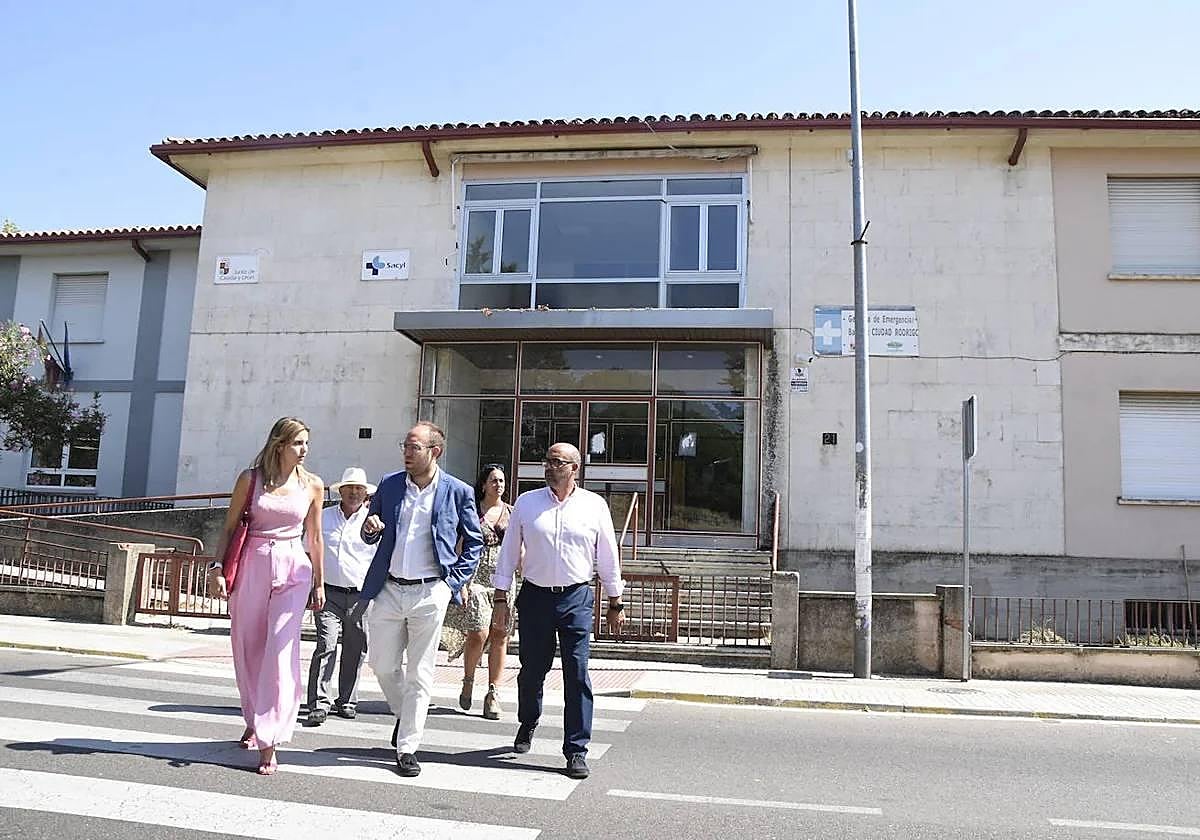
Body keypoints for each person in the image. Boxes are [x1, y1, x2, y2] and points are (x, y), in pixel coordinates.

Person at [349, 421, 483, 778]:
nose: (407, 453)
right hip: (389, 588)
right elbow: (369, 534)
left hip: (430, 591)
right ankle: (405, 715)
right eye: (405, 446)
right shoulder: (391, 485)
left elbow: (474, 543)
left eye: (415, 447)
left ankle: (408, 747)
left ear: (434, 451)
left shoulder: (458, 491)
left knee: (421, 673)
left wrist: (451, 583)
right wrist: (369, 529)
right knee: (381, 664)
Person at [491, 442, 625, 780]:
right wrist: (501, 599)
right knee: (532, 670)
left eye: (557, 462)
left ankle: (576, 749)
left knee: (577, 673)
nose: (549, 467)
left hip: (576, 598)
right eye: (546, 462)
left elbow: (607, 555)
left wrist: (615, 601)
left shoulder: (594, 506)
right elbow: (508, 552)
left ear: (575, 468)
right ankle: (529, 720)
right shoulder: (527, 503)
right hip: (535, 596)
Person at [206, 416, 325, 776]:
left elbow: (315, 537)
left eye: (306, 443)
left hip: (294, 567)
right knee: (248, 644)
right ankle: (254, 715)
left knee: (280, 650)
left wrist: (319, 582)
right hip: (253, 563)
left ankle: (270, 738)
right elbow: (229, 527)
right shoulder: (251, 479)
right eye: (298, 443)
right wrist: (217, 569)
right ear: (279, 444)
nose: (304, 450)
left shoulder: (314, 485)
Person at [441, 464, 517, 720]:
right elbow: (460, 545)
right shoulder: (472, 511)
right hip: (475, 578)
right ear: (483, 484)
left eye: (502, 480)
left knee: (500, 634)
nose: (499, 485)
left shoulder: (512, 513)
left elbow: (521, 546)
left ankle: (493, 693)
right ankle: (469, 678)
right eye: (494, 480)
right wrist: (460, 581)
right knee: (478, 631)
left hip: (503, 579)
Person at [305, 466, 376, 726]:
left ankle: (346, 700)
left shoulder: (372, 522)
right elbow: (308, 550)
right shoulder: (323, 517)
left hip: (360, 596)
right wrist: (313, 584)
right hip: (328, 592)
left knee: (356, 650)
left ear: (366, 493)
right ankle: (318, 703)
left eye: (359, 489)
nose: (354, 493)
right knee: (326, 644)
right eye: (350, 488)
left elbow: (381, 560)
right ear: (341, 491)